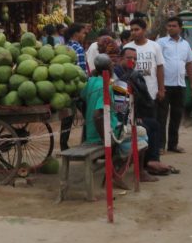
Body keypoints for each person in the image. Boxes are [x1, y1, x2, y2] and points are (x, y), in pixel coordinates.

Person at [81, 53, 157, 186]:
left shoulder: (90, 82)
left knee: (142, 132)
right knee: (143, 142)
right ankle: (121, 171)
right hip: (105, 133)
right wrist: (106, 139)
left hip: (92, 131)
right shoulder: (108, 86)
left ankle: (128, 166)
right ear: (109, 69)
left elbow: (83, 100)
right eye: (112, 65)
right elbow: (97, 114)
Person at [114, 46, 179, 176]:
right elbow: (119, 105)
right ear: (120, 59)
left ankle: (152, 161)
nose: (132, 61)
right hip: (119, 118)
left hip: (130, 114)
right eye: (129, 58)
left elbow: (139, 98)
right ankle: (145, 166)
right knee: (146, 127)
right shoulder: (116, 75)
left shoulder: (133, 74)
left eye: (135, 59)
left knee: (154, 123)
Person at [157, 17, 192, 153]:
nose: (171, 28)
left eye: (174, 26)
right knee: (161, 116)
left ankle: (173, 145)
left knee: (177, 115)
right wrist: (159, 86)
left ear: (180, 28)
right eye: (169, 26)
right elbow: (157, 64)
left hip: (180, 85)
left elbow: (189, 63)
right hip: (164, 85)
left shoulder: (185, 44)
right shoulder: (161, 43)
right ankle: (160, 146)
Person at [123, 18, 165, 144]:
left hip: (150, 93)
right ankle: (137, 151)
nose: (134, 32)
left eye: (137, 29)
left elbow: (160, 67)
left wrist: (161, 89)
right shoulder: (127, 47)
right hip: (133, 94)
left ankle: (152, 150)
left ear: (144, 30)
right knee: (134, 124)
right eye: (132, 30)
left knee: (152, 123)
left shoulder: (154, 46)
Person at [59, 23, 87, 151]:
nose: (84, 35)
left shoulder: (64, 47)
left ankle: (63, 145)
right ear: (76, 34)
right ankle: (88, 141)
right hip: (77, 88)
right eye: (83, 33)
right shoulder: (78, 48)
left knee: (67, 118)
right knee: (90, 114)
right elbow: (81, 72)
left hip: (65, 87)